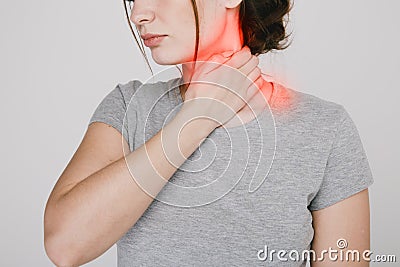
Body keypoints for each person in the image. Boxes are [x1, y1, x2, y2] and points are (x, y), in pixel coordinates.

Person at [44, 0, 374, 266]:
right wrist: (196, 119)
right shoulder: (128, 108)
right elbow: (64, 247)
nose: (138, 14)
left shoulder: (325, 128)